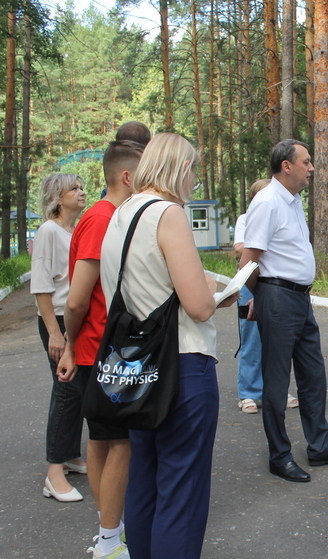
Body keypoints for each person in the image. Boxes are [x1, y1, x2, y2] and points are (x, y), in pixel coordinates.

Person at [100, 133, 237, 559]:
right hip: (181, 365)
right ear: (178, 168)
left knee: (145, 485)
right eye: (193, 170)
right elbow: (197, 306)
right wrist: (223, 292)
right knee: (182, 491)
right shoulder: (168, 213)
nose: (195, 180)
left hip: (135, 370)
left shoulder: (120, 213)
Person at [240, 139, 328, 483]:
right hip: (276, 297)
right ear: (286, 166)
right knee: (276, 383)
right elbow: (250, 260)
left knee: (313, 375)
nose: (311, 168)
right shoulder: (267, 202)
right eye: (306, 162)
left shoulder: (292, 201)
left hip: (299, 299)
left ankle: (319, 446)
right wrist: (257, 298)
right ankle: (279, 456)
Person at [56, 139, 145, 559]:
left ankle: (111, 528)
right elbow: (77, 300)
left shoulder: (111, 216)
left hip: (103, 348)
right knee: (118, 444)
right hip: (99, 349)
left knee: (104, 441)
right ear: (127, 176)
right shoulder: (103, 219)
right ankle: (111, 539)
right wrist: (72, 347)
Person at [30, 174, 87, 502]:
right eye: (74, 189)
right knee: (67, 391)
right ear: (57, 197)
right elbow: (41, 286)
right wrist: (54, 333)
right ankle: (53, 473)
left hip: (73, 319)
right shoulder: (49, 231)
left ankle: (68, 455)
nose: (81, 193)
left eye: (81, 188)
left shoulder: (73, 230)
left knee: (76, 391)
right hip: (58, 319)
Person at [234, 179, 298, 414]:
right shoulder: (246, 219)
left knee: (278, 340)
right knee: (251, 338)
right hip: (250, 281)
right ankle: (249, 392)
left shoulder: (284, 216)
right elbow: (241, 248)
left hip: (278, 285)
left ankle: (278, 389)